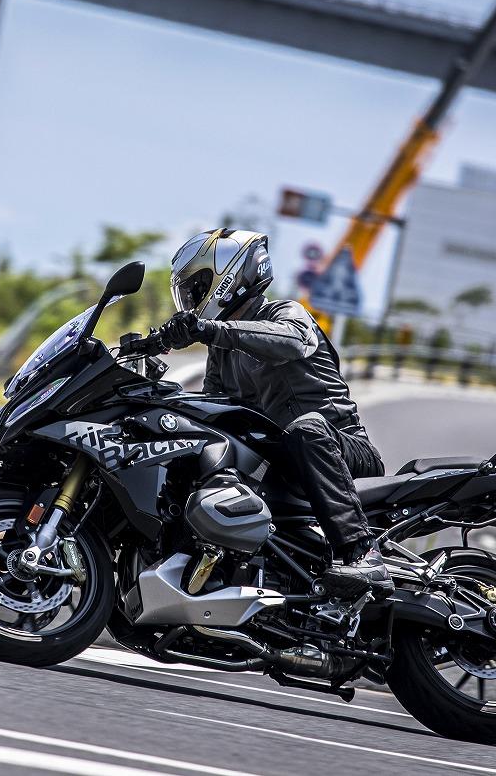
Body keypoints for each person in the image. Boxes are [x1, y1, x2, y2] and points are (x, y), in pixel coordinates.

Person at [159, 228, 393, 599]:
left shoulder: (285, 313)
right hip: (284, 460)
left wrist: (211, 329)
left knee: (306, 429)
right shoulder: (222, 352)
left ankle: (363, 554)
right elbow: (211, 409)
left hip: (341, 453)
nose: (190, 300)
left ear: (227, 278)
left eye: (196, 288)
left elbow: (291, 341)